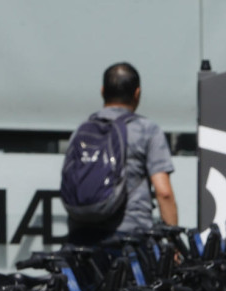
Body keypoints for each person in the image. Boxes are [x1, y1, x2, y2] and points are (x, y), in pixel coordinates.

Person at [66, 62, 177, 245]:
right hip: (130, 237)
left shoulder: (82, 130)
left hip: (82, 237)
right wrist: (173, 243)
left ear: (102, 91)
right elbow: (163, 192)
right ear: (137, 94)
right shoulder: (147, 130)